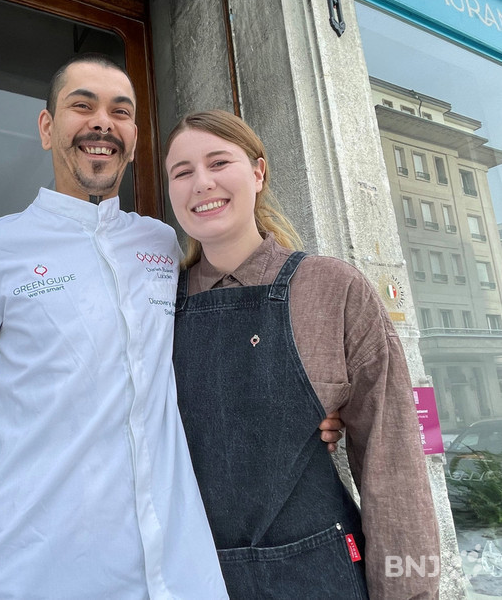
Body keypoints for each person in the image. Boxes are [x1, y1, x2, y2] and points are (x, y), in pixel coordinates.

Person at [0, 54, 229, 599]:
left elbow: (227, 323)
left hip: (172, 565)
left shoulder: (161, 242)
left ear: (134, 139)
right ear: (47, 128)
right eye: (82, 105)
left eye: (120, 111)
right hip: (35, 569)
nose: (102, 123)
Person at [164, 109, 440, 599]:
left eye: (218, 162)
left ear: (258, 171)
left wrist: (409, 591)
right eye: (182, 172)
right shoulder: (156, 305)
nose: (201, 183)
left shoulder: (332, 290)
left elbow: (392, 462)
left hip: (318, 575)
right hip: (193, 578)